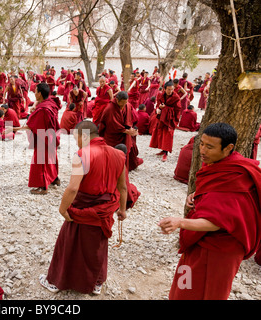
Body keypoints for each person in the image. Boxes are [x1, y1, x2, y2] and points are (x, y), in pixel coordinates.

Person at [158, 123, 261, 300]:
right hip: (199, 240)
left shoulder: (236, 176)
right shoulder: (221, 164)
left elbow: (218, 221)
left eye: (210, 146)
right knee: (185, 284)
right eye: (202, 144)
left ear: (229, 148)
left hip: (220, 249)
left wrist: (180, 222)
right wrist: (198, 195)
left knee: (208, 292)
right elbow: (216, 197)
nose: (203, 150)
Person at [39, 120, 127, 295]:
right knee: (97, 246)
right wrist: (122, 210)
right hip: (103, 211)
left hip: (83, 207)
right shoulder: (119, 154)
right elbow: (122, 187)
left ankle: (57, 282)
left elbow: (73, 187)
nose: (76, 142)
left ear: (84, 136)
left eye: (76, 138)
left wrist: (63, 209)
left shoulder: (82, 154)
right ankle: (96, 284)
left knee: (70, 241)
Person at [17, 83, 60, 195]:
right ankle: (54, 178)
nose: (34, 93)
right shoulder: (50, 103)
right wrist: (35, 106)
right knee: (51, 158)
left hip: (43, 139)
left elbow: (31, 125)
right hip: (52, 136)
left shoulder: (43, 110)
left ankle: (43, 187)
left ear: (40, 94)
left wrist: (13, 128)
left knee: (41, 162)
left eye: (35, 91)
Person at [98, 91, 140, 171]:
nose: (123, 106)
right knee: (112, 152)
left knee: (127, 149)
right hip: (113, 135)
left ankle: (124, 168)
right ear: (117, 100)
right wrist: (126, 131)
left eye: (125, 103)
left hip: (125, 132)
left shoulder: (128, 105)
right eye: (122, 103)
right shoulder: (110, 108)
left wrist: (132, 129)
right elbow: (111, 125)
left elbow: (133, 117)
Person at [149, 81, 182, 162]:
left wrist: (165, 108)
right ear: (164, 89)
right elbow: (158, 105)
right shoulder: (160, 94)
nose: (170, 91)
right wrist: (158, 108)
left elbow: (178, 110)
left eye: (172, 89)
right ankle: (162, 150)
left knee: (168, 134)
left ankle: (166, 153)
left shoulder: (176, 97)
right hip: (161, 117)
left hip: (170, 119)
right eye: (168, 89)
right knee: (160, 133)